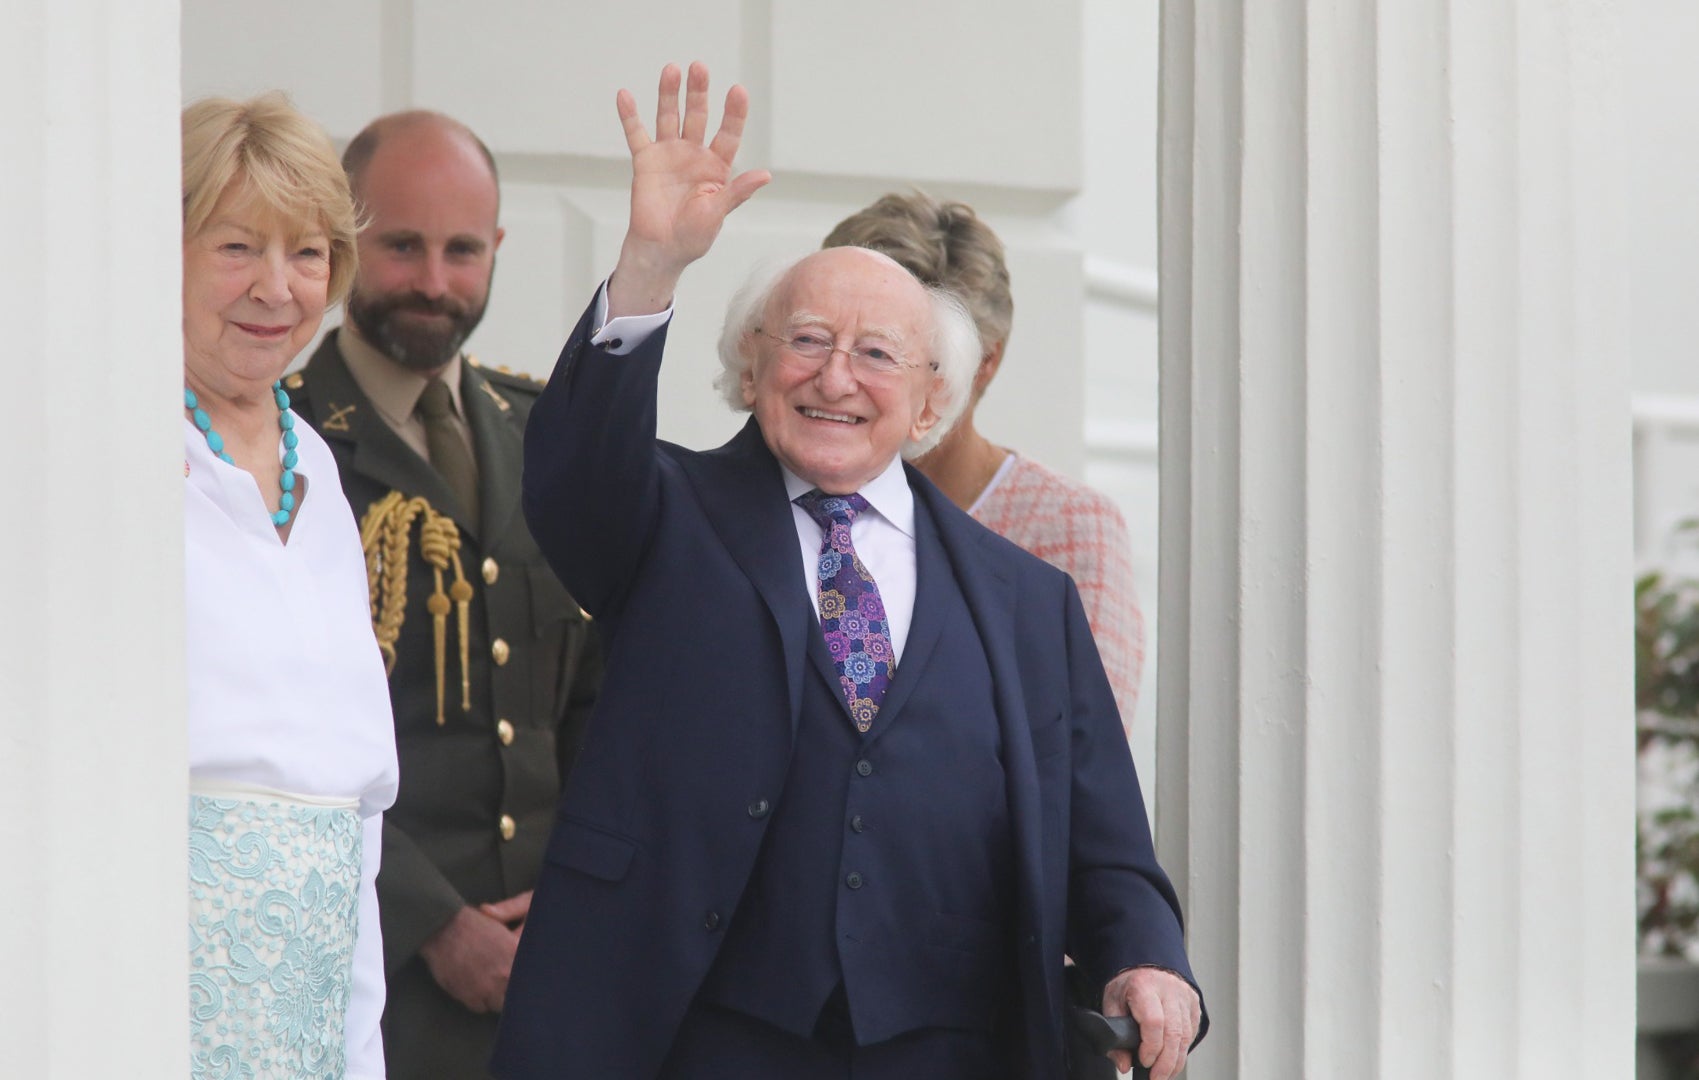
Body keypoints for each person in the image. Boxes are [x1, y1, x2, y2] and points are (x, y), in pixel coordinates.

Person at [492, 63, 1205, 1080]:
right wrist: (652, 264)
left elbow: (1106, 845)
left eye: (877, 354)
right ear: (750, 368)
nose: (835, 377)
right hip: (701, 1038)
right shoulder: (666, 519)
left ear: (931, 405)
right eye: (808, 342)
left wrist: (1147, 960)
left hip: (945, 1050)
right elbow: (570, 474)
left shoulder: (1025, 601)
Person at [285, 109, 601, 1078]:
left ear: (498, 247)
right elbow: (292, 736)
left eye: (462, 249)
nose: (433, 280)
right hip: (373, 986)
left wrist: (582, 892)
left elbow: (596, 701)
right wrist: (431, 923)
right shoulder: (285, 443)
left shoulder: (545, 433)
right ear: (344, 240)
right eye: (401, 245)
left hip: (556, 984)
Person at [182, 93, 399, 1079]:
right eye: (236, 247)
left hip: (309, 1031)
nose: (278, 288)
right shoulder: (90, 444)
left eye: (307, 254)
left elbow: (354, 821)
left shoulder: (317, 465)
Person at [823, 193, 1145, 729]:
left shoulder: (1069, 526)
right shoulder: (799, 503)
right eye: (859, 347)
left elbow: (1084, 753)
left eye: (916, 357)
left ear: (985, 362)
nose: (856, 382)